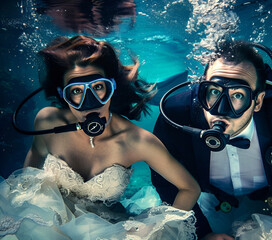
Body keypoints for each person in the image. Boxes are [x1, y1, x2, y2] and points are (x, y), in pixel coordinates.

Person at [0, 35, 200, 239]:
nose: (90, 102)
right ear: (63, 94)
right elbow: (34, 157)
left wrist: (161, 230)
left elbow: (190, 188)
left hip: (106, 230)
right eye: (76, 91)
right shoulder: (48, 122)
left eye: (98, 87)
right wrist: (21, 203)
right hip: (46, 220)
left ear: (111, 87)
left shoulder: (137, 140)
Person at [151, 40, 272, 239]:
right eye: (214, 91)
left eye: (238, 95)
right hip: (210, 200)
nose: (221, 111)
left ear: (258, 102)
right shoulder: (176, 116)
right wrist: (203, 233)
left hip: (268, 197)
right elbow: (164, 179)